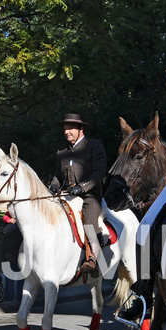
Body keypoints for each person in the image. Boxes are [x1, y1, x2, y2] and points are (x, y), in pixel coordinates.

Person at [48, 113, 107, 277]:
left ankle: (93, 259)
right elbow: (57, 175)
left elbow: (99, 172)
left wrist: (82, 187)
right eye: (65, 129)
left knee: (89, 219)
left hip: (90, 195)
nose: (67, 131)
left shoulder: (94, 145)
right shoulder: (62, 151)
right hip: (66, 195)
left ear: (81, 129)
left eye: (70, 128)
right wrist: (54, 185)